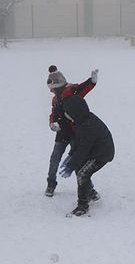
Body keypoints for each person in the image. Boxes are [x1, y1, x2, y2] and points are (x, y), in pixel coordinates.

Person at [50, 71, 115, 217]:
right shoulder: (80, 122)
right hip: (95, 150)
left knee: (82, 174)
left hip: (102, 153)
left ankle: (82, 206)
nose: (66, 116)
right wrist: (71, 157)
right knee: (80, 168)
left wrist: (72, 162)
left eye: (67, 113)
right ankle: (91, 193)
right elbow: (79, 146)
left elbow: (83, 148)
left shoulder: (87, 126)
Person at [45, 65, 98, 197]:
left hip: (76, 133)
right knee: (54, 158)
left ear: (57, 86)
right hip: (62, 134)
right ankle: (51, 183)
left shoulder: (71, 91)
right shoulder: (55, 99)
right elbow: (53, 114)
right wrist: (52, 123)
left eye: (52, 89)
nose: (51, 92)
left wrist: (91, 81)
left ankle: (89, 190)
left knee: (78, 161)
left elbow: (83, 88)